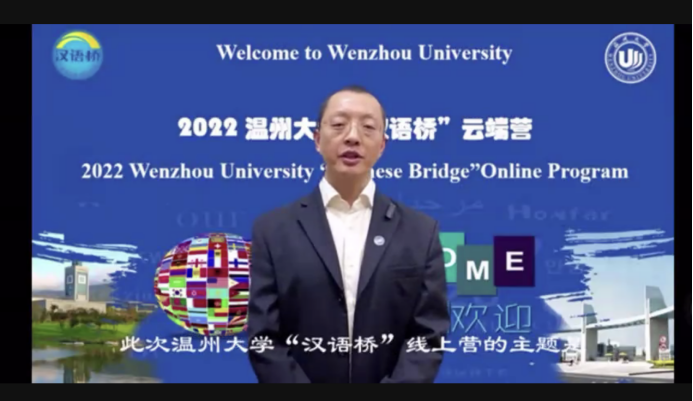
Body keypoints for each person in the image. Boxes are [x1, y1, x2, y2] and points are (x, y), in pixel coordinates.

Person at [247, 85, 450, 383]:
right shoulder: (272, 229)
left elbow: (427, 336)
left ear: (382, 145)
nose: (353, 136)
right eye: (339, 124)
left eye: (368, 127)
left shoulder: (421, 232)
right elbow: (264, 338)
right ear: (317, 139)